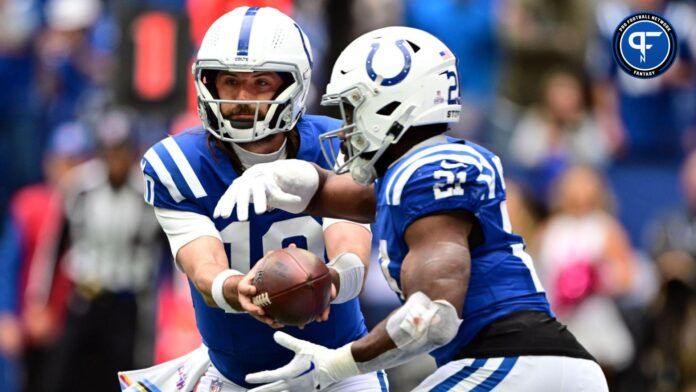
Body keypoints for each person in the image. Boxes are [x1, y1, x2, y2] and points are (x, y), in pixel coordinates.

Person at [218, 26, 609, 391]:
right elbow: (352, 195)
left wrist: (337, 365)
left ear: (392, 104)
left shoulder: (427, 171)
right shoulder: (414, 174)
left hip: (515, 362)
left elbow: (431, 319)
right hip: (532, 366)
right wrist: (284, 177)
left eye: (353, 108)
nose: (346, 125)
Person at [120, 7, 387, 392]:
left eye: (260, 82)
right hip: (231, 377)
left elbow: (351, 252)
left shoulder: (338, 145)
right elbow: (203, 266)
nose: (242, 98)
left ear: (294, 84)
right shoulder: (177, 163)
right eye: (230, 81)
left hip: (338, 369)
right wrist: (237, 289)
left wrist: (329, 281)